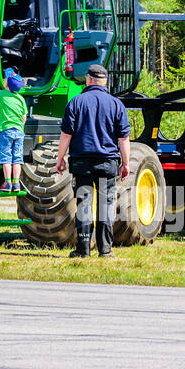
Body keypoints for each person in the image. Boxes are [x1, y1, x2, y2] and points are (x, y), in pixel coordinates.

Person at [56, 64, 130, 258]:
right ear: (105, 82)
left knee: (84, 204)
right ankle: (105, 250)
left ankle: (83, 250)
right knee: (106, 206)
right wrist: (126, 163)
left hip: (82, 162)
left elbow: (66, 135)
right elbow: (123, 139)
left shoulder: (76, 102)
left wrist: (60, 158)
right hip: (108, 162)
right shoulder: (116, 104)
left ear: (89, 80)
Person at [0, 68, 29, 191]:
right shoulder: (21, 99)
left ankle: (7, 183)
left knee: (6, 158)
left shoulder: (2, 93)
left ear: (6, 83)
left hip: (6, 131)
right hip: (19, 131)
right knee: (17, 159)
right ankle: (16, 184)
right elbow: (24, 118)